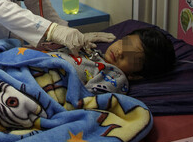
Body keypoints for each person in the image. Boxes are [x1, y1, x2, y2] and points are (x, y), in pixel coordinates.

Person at [40, 27, 176, 94]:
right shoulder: (94, 52)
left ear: (135, 76)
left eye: (130, 56)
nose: (120, 52)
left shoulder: (115, 77)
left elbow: (86, 98)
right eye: (124, 43)